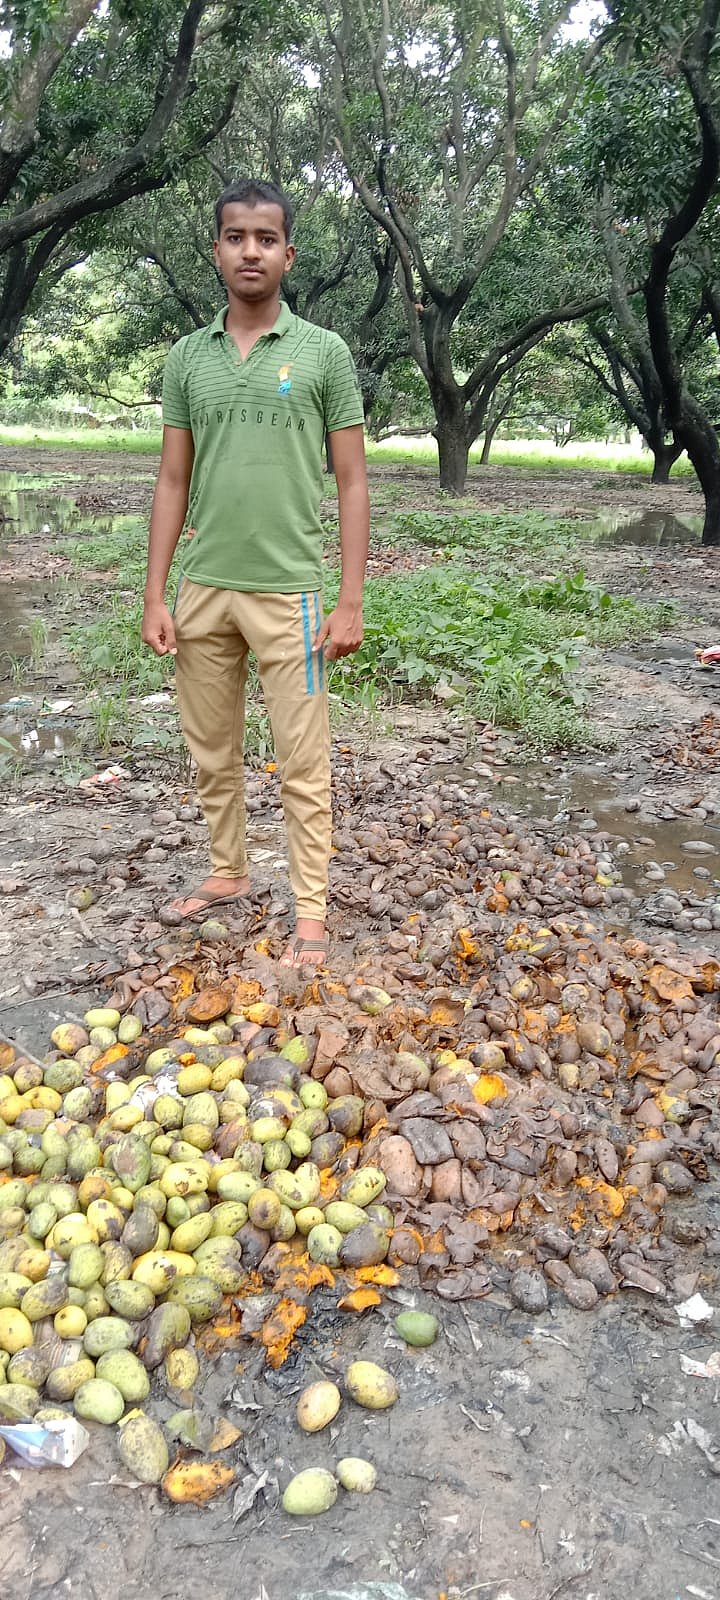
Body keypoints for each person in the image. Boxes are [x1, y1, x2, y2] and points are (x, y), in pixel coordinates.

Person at [141, 178, 369, 966]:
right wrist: (156, 593)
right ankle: (228, 871)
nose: (251, 251)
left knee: (303, 762)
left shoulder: (323, 353)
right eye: (236, 236)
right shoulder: (186, 359)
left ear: (287, 254)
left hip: (293, 595)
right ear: (216, 250)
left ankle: (310, 908)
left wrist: (349, 598)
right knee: (213, 750)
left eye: (265, 239)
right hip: (205, 589)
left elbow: (352, 481)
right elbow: (172, 482)